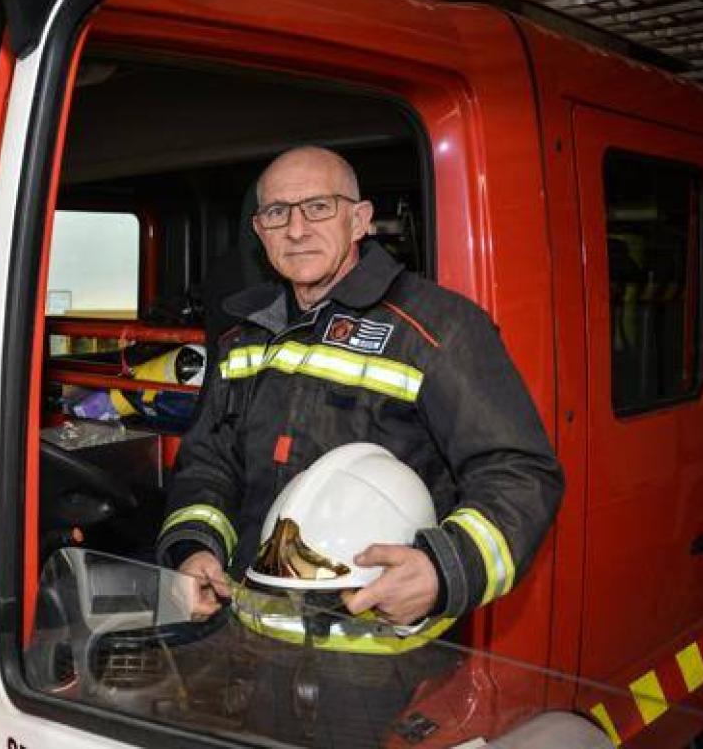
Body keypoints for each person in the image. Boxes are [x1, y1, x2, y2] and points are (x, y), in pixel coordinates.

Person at [157, 145, 564, 631]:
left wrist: (443, 569)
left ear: (360, 220)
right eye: (277, 212)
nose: (296, 229)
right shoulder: (242, 336)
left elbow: (521, 473)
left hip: (383, 656)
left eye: (318, 207)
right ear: (259, 230)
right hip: (251, 638)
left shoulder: (438, 328)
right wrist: (194, 548)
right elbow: (209, 464)